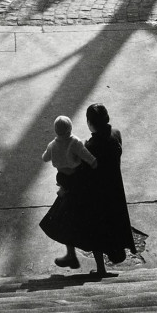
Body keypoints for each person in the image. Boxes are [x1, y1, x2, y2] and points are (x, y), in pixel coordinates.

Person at [40, 103, 136, 276]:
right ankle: (109, 254)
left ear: (90, 123)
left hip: (96, 193)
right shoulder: (116, 135)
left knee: (87, 224)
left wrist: (62, 179)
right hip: (114, 189)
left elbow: (83, 174)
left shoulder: (91, 146)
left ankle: (94, 265)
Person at [42, 115, 97, 195]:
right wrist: (93, 161)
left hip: (60, 175)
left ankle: (63, 188)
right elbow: (85, 153)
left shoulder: (52, 145)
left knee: (63, 181)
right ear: (70, 129)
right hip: (74, 174)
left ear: (55, 131)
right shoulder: (75, 142)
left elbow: (45, 158)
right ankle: (67, 190)